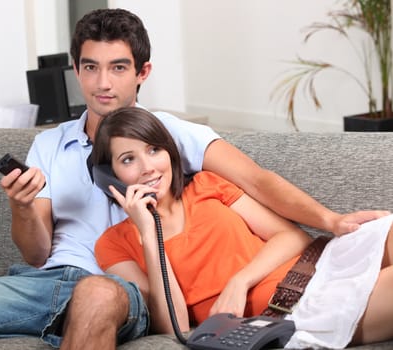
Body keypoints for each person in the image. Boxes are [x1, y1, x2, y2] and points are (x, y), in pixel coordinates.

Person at [0, 8, 388, 350]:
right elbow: (34, 254)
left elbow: (258, 180)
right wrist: (23, 208)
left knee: (98, 292)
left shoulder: (178, 138)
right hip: (48, 282)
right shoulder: (50, 148)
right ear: (76, 70)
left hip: (120, 289)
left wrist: (330, 219)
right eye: (91, 68)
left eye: (118, 68)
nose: (103, 83)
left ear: (142, 72)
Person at [92, 106, 393, 348]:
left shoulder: (206, 185)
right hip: (299, 308)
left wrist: (240, 281)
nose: (148, 167)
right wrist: (148, 231)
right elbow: (175, 325)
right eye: (128, 159)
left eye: (154, 150)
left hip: (320, 262)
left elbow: (292, 236)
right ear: (109, 176)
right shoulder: (114, 243)